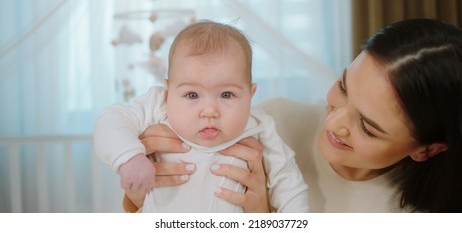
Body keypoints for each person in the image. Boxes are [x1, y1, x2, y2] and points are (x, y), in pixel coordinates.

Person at [131, 18, 462, 213]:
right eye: (343, 89)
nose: (334, 123)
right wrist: (143, 180)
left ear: (427, 149)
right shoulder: (269, 121)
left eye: (368, 127)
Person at [93, 20, 309, 212]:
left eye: (227, 94)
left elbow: (289, 184)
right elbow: (111, 120)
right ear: (168, 91)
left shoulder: (259, 125)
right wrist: (130, 158)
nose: (209, 111)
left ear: (250, 94)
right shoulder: (158, 106)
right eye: (192, 94)